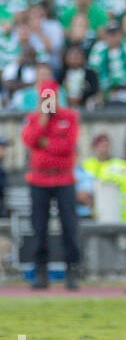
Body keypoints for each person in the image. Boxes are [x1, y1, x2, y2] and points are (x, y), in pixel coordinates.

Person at [20, 79, 80, 290]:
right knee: (39, 228)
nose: (48, 102)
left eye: (51, 98)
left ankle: (72, 272)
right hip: (39, 180)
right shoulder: (34, 119)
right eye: (44, 98)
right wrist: (43, 124)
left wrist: (45, 143)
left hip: (64, 179)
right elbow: (28, 140)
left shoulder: (70, 118)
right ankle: (41, 273)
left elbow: (67, 146)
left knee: (69, 227)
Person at [81, 133, 126, 225]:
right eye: (101, 145)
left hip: (117, 211)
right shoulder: (87, 165)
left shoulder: (120, 165)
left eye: (106, 145)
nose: (104, 148)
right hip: (91, 212)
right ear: (94, 147)